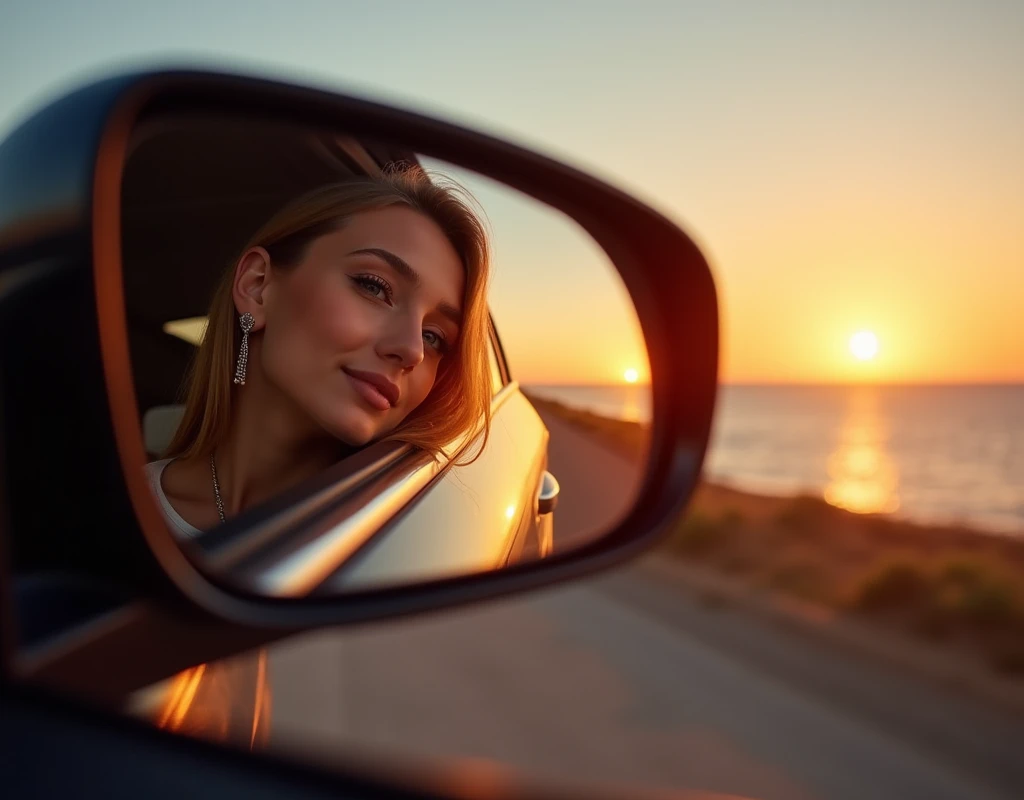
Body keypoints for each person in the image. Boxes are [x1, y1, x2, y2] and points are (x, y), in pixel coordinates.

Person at [144, 167, 492, 538]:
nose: (412, 350)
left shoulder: (405, 533)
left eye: (434, 336)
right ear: (257, 286)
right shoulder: (105, 509)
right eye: (374, 287)